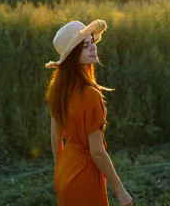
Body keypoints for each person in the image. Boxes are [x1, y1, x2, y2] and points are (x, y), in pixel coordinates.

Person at [45, 19, 133, 206]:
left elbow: (55, 139)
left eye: (92, 42)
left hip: (64, 171)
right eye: (85, 46)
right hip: (84, 176)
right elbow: (97, 152)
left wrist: (61, 167)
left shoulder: (58, 89)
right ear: (73, 55)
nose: (93, 47)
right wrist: (120, 189)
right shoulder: (90, 95)